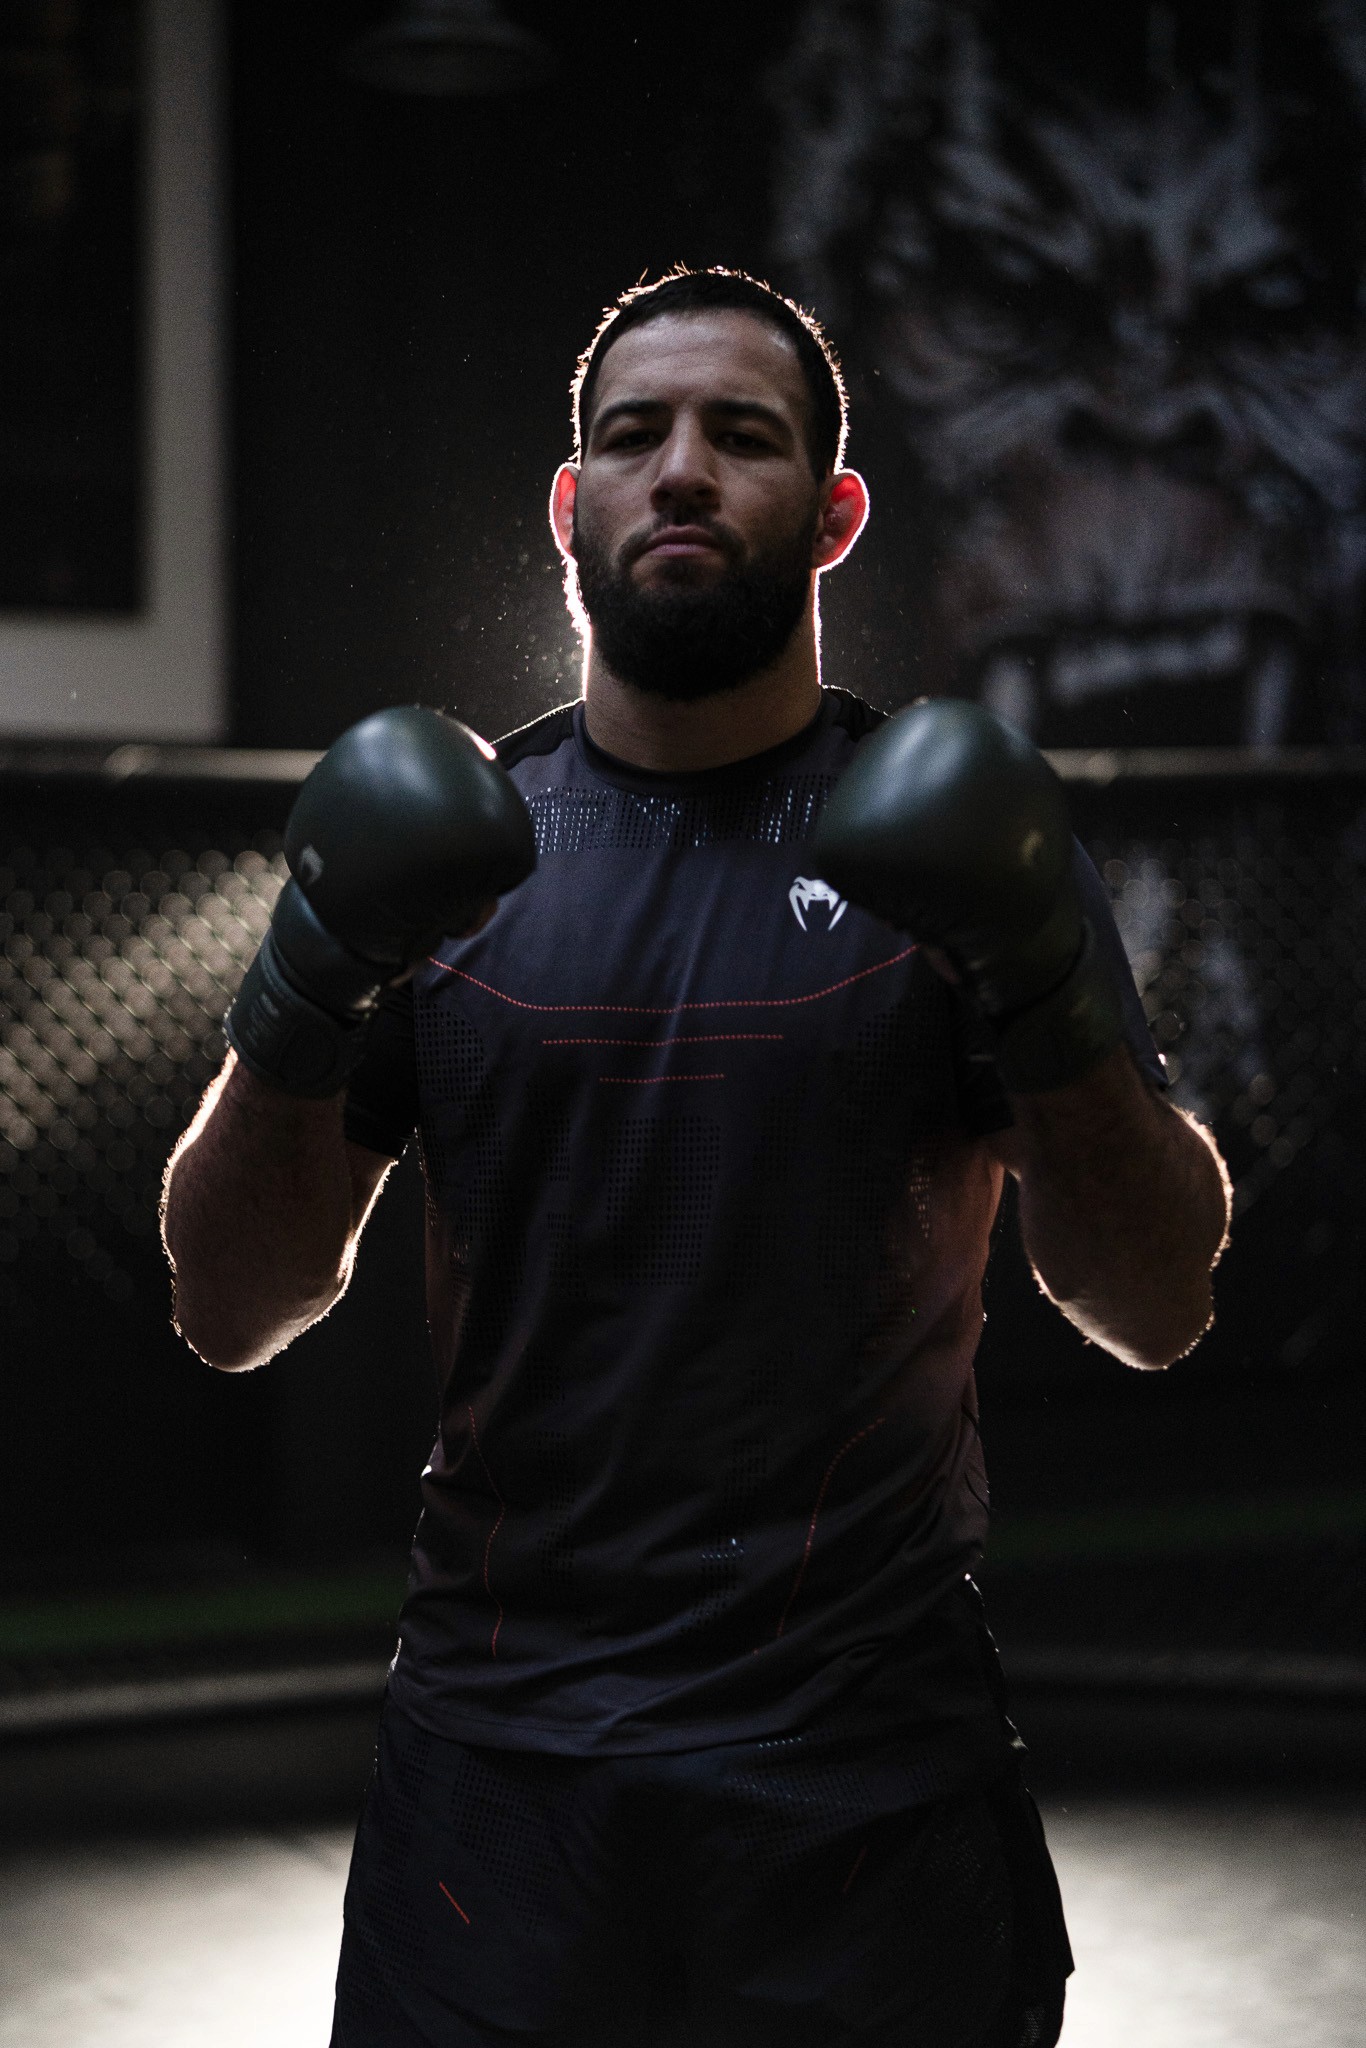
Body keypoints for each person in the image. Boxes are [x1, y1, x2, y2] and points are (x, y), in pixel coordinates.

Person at [161, 268, 1231, 2048]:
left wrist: (1039, 975)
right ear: (566, 503)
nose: (680, 470)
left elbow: (1153, 1302)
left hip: (866, 1776)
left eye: (742, 435)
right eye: (631, 435)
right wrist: (304, 979)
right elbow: (229, 1304)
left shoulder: (951, 846)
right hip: (497, 1780)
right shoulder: (462, 861)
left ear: (832, 513)